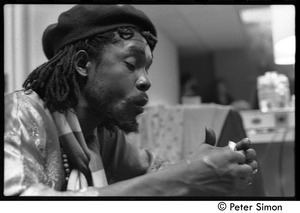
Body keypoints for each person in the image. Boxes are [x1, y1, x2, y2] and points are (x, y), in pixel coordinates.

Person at [4, 5, 258, 196]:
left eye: (146, 68)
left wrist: (219, 164)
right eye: (131, 64)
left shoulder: (101, 135)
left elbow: (154, 170)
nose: (146, 81)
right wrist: (186, 176)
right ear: (83, 64)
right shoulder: (18, 113)